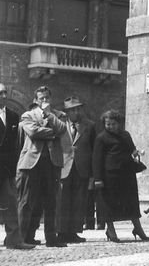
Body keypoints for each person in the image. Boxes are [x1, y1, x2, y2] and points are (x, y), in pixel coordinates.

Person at [16, 86, 67, 247]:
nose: (44, 101)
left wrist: (48, 115)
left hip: (52, 163)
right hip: (31, 163)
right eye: (41, 98)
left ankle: (51, 238)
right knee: (27, 201)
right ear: (35, 101)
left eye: (46, 98)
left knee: (51, 201)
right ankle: (24, 237)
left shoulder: (58, 115)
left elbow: (62, 129)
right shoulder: (27, 115)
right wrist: (51, 133)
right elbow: (33, 132)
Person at [92, 109, 149, 243]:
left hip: (127, 173)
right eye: (108, 124)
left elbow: (132, 149)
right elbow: (96, 159)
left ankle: (138, 229)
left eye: (113, 124)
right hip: (110, 175)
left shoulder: (126, 135)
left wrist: (137, 152)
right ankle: (110, 230)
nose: (110, 126)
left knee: (131, 203)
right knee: (109, 204)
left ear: (118, 123)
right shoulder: (101, 138)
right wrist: (98, 179)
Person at [56, 96, 96, 244]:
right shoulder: (59, 125)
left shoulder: (90, 126)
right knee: (62, 201)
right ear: (67, 111)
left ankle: (74, 231)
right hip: (63, 167)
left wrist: (92, 174)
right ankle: (61, 231)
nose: (77, 112)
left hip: (82, 168)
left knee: (79, 201)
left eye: (79, 108)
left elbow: (93, 149)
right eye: (73, 109)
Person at [0, 83, 34, 250]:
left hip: (6, 169)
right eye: (0, 93)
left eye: (5, 92)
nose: (3, 96)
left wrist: (14, 165)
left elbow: (16, 144)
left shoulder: (13, 116)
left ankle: (14, 239)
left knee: (11, 203)